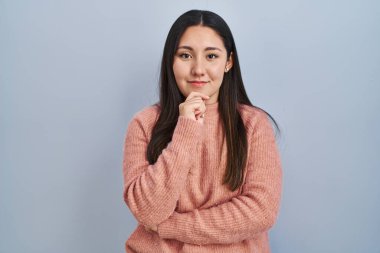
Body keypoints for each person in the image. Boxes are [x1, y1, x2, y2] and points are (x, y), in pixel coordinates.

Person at [122, 9, 282, 253]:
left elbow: (261, 211)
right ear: (170, 61)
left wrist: (170, 226)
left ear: (228, 62)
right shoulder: (144, 124)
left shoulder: (254, 125)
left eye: (211, 56)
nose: (198, 69)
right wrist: (186, 130)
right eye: (185, 55)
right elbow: (148, 210)